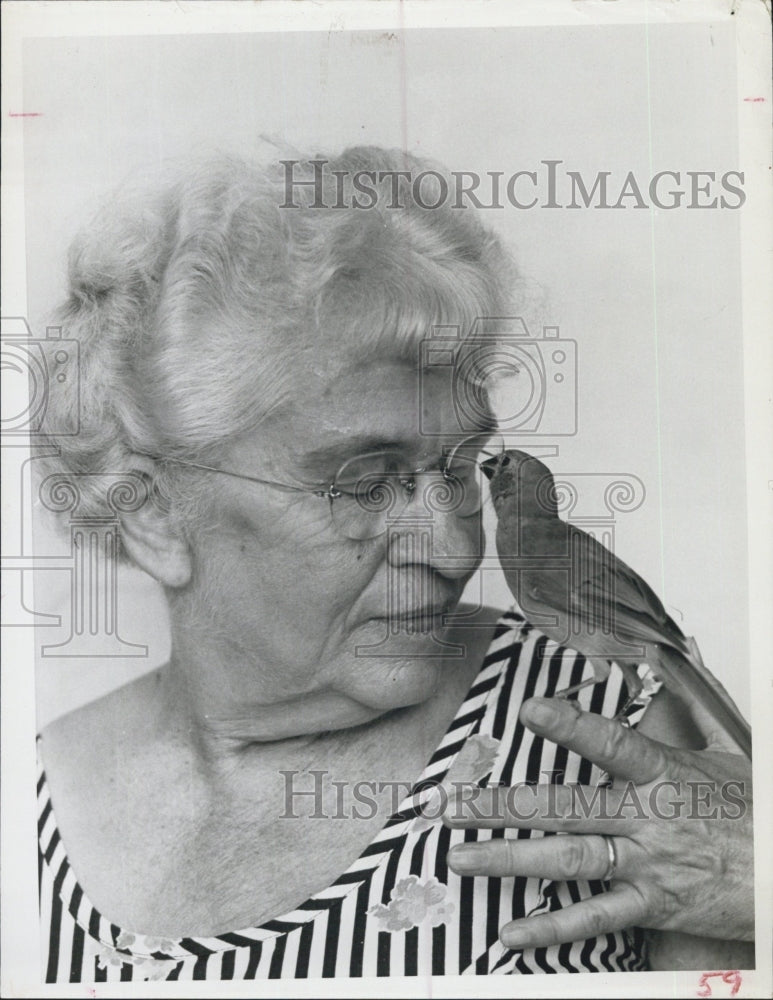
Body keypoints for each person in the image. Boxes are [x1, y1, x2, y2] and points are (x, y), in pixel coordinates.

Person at [36, 147, 754, 982]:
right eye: (365, 483)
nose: (455, 550)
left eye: (457, 469)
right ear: (153, 512)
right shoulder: (27, 801)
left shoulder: (612, 732)